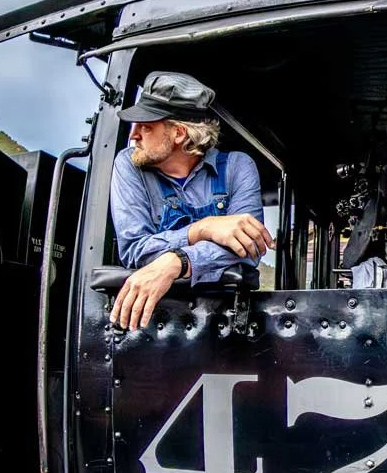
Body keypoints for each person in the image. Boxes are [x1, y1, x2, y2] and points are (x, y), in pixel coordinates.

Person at [108, 71, 275, 330]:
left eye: (146, 126)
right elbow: (135, 250)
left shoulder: (237, 167)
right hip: (155, 324)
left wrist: (177, 262)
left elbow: (248, 248)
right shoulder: (128, 165)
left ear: (179, 134)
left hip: (228, 323)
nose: (134, 135)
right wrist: (202, 228)